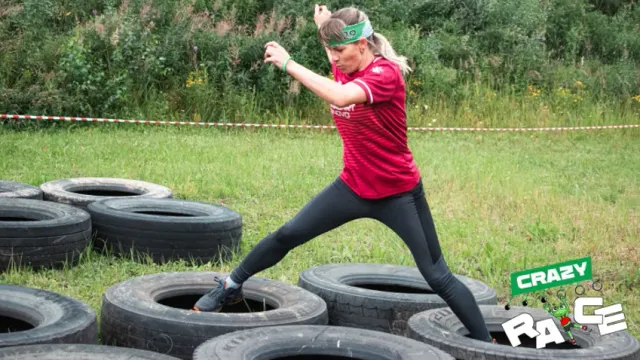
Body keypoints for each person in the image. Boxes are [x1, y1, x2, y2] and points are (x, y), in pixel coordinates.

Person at [193, 4, 495, 343]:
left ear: (362, 45)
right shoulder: (346, 64)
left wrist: (289, 63)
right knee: (288, 233)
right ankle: (231, 286)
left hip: (398, 195)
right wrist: (324, 26)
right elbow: (336, 67)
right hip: (352, 187)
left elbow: (338, 95)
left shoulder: (384, 76)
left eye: (340, 50)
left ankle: (488, 347)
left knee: (437, 275)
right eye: (331, 51)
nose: (334, 59)